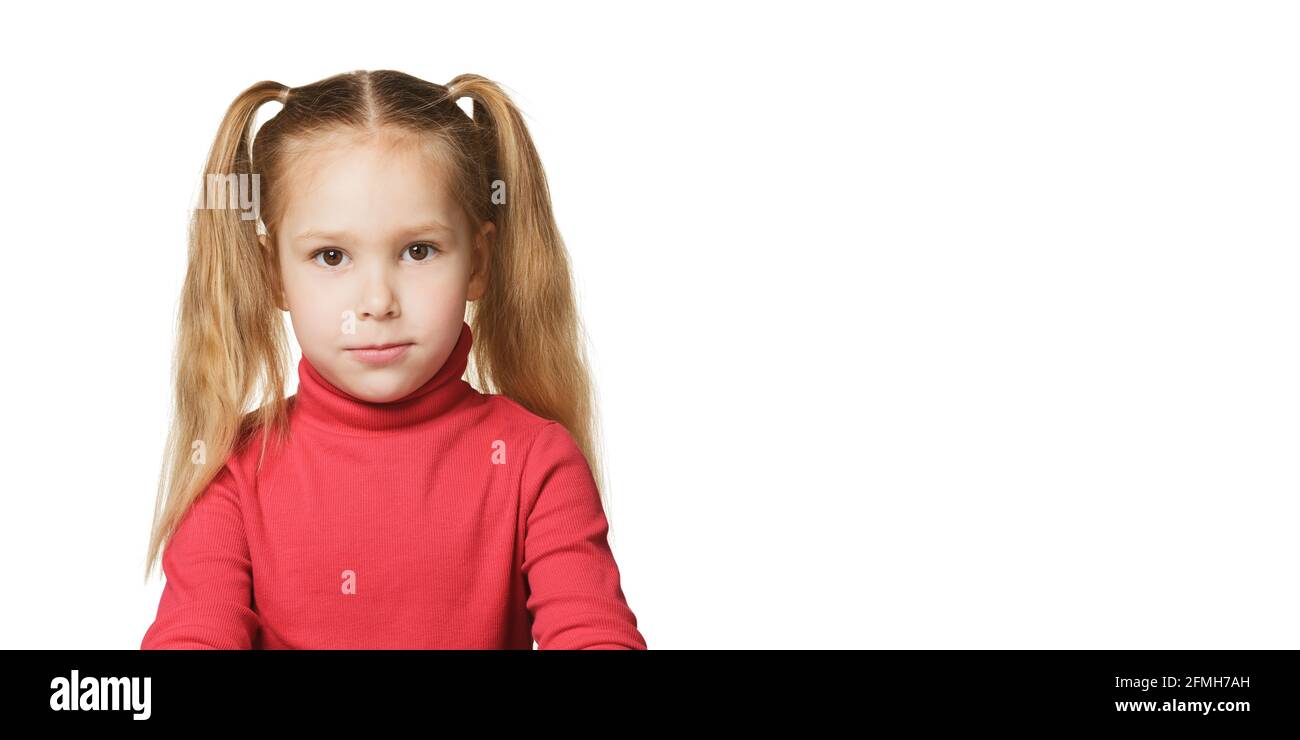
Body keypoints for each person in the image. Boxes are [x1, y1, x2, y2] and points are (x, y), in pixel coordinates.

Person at [140, 70, 646, 649]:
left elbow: (595, 636)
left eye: (418, 250)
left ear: (478, 260)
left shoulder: (537, 464)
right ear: (271, 272)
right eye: (331, 256)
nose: (377, 302)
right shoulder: (230, 474)